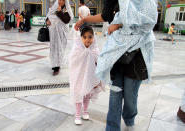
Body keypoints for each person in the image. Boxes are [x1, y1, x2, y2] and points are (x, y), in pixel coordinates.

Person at [75, 0, 158, 131]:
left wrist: (119, 24)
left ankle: (129, 119)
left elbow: (149, 22)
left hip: (137, 53)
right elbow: (105, 15)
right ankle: (112, 128)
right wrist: (84, 20)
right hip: (116, 51)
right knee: (115, 95)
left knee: (130, 95)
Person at [69, 26, 104, 125]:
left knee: (87, 95)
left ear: (94, 37)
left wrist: (97, 80)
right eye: (84, 37)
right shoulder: (77, 49)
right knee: (79, 94)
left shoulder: (95, 50)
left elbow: (99, 66)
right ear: (81, 38)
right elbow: (73, 62)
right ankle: (77, 114)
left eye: (90, 37)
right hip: (79, 77)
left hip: (90, 78)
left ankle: (85, 111)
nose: (87, 40)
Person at [46, 0, 74, 75]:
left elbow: (67, 20)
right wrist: (47, 21)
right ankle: (54, 65)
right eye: (59, 0)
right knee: (54, 49)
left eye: (63, 0)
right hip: (53, 33)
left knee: (59, 49)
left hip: (61, 34)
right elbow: (49, 16)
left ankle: (57, 67)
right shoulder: (53, 8)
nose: (60, 1)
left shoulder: (65, 9)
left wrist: (59, 12)